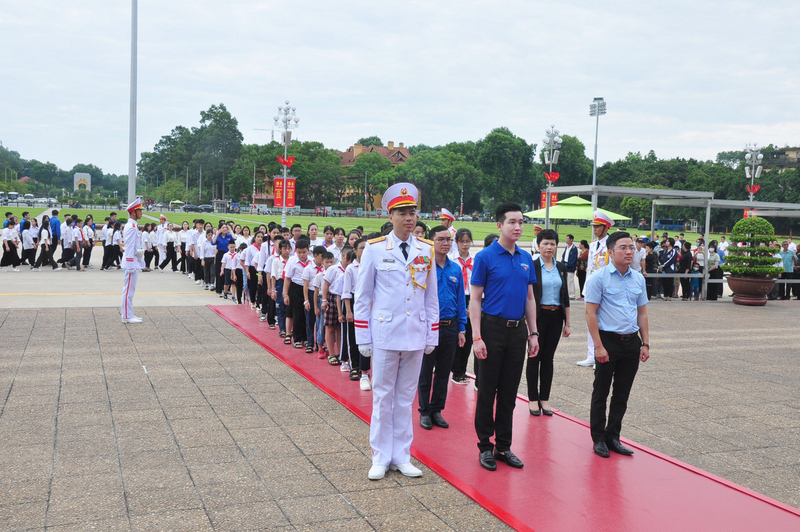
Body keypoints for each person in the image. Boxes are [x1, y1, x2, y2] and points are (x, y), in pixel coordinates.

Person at [354, 182, 439, 481]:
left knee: (405, 399)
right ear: (390, 216)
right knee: (382, 397)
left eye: (412, 212)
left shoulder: (425, 250)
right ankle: (380, 455)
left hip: (415, 334)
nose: (409, 218)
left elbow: (431, 297)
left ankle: (402, 455)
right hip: (386, 335)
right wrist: (363, 336)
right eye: (402, 212)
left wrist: (432, 334)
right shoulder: (376, 250)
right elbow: (362, 297)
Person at [470, 202, 539, 472]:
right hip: (492, 328)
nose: (518, 227)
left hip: (517, 331)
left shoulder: (525, 259)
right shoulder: (485, 257)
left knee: (509, 392)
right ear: (499, 225)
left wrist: (533, 333)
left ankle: (504, 446)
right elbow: (475, 300)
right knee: (487, 390)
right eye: (512, 222)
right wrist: (477, 337)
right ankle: (485, 446)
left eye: (521, 222)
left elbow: (530, 298)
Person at [584, 231, 650, 458]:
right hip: (608, 341)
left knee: (622, 393)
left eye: (631, 247)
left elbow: (642, 313)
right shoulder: (599, 278)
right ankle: (598, 438)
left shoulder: (638, 278)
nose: (629, 251)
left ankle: (613, 436)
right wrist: (598, 346)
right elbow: (590, 313)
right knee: (601, 391)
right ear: (611, 252)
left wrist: (646, 343)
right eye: (623, 248)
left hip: (631, 342)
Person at [418, 225, 466, 431]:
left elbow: (461, 301)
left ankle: (437, 409)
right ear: (431, 242)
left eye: (448, 239)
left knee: (444, 371)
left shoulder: (455, 268)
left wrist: (461, 329)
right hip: (429, 326)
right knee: (426, 370)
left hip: (450, 326)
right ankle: (425, 410)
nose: (446, 243)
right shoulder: (423, 267)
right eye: (441, 239)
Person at [528, 229, 571, 417]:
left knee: (548, 358)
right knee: (533, 356)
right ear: (538, 245)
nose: (549, 247)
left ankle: (544, 397)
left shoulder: (560, 267)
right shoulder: (532, 265)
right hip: (537, 316)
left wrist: (568, 323)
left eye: (552, 244)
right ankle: (532, 398)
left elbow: (566, 296)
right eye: (545, 243)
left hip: (555, 317)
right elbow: (527, 295)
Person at [577, 212, 614, 368]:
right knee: (590, 322)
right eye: (594, 226)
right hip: (591, 286)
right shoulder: (593, 245)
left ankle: (602, 354)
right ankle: (591, 354)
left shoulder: (612, 245)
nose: (595, 229)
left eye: (598, 226)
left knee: (603, 322)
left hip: (605, 287)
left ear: (606, 227)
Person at [450, 228, 474, 385]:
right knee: (457, 336)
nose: (465, 244)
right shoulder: (451, 259)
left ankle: (462, 370)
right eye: (462, 241)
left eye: (467, 241)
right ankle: (455, 371)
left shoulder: (475, 260)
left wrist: (472, 306)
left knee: (470, 337)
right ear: (456, 242)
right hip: (457, 297)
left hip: (472, 299)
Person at [121, 199, 145, 323]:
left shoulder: (133, 225)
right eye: (140, 210)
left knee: (131, 290)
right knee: (128, 290)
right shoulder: (131, 227)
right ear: (134, 212)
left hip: (134, 260)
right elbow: (129, 247)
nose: (141, 213)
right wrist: (130, 264)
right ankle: (126, 316)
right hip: (131, 262)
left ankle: (129, 314)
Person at [560, 234, 578, 299]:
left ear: (571, 240)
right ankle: (567, 294)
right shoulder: (566, 247)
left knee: (570, 281)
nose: (566, 240)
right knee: (565, 281)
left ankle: (572, 295)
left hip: (570, 267)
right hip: (565, 265)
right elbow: (564, 256)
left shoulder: (574, 249)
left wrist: (568, 266)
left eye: (567, 238)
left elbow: (573, 259)